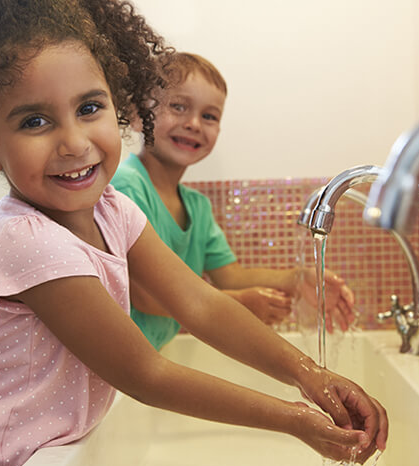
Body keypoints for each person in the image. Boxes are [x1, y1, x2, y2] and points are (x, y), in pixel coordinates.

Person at [0, 1, 387, 466]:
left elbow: (200, 302)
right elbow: (145, 373)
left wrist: (310, 375)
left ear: (120, 105)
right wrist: (294, 419)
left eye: (89, 107)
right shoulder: (28, 242)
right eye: (35, 121)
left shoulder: (113, 209)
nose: (75, 142)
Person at [111, 52, 357, 351]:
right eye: (178, 106)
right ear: (137, 115)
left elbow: (230, 275)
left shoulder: (197, 207)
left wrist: (296, 280)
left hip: (147, 360)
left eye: (209, 116)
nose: (194, 123)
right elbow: (144, 294)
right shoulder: (126, 186)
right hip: (115, 365)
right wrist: (239, 303)